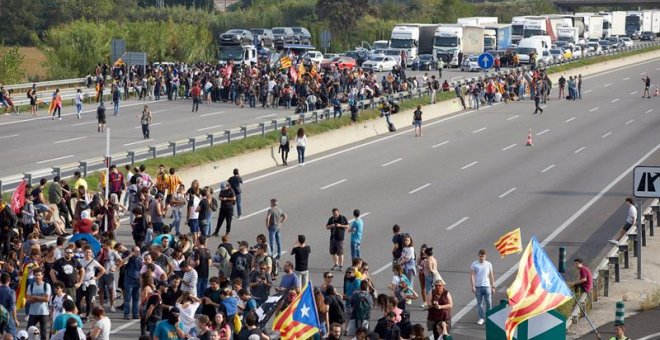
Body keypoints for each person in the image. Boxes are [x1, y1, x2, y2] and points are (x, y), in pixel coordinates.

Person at [470, 249, 495, 325]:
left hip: (487, 286)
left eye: (483, 256)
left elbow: (491, 275)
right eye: (480, 256)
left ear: (485, 256)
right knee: (479, 303)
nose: (482, 258)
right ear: (478, 256)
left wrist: (493, 286)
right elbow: (471, 275)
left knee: (488, 302)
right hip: (478, 287)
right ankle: (481, 318)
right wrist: (473, 286)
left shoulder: (488, 264)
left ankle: (489, 318)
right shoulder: (474, 264)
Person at [26, 268, 51, 340]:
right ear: (34, 276)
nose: (37, 277)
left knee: (43, 332)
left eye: (39, 275)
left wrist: (34, 297)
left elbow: (46, 299)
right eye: (36, 275)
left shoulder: (46, 285)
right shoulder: (30, 286)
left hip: (44, 312)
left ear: (42, 276)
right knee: (29, 331)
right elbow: (28, 299)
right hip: (33, 312)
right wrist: (41, 298)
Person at [0, 273, 18, 338]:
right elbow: (13, 307)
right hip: (7, 317)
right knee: (13, 336)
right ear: (9, 280)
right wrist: (15, 319)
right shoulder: (11, 292)